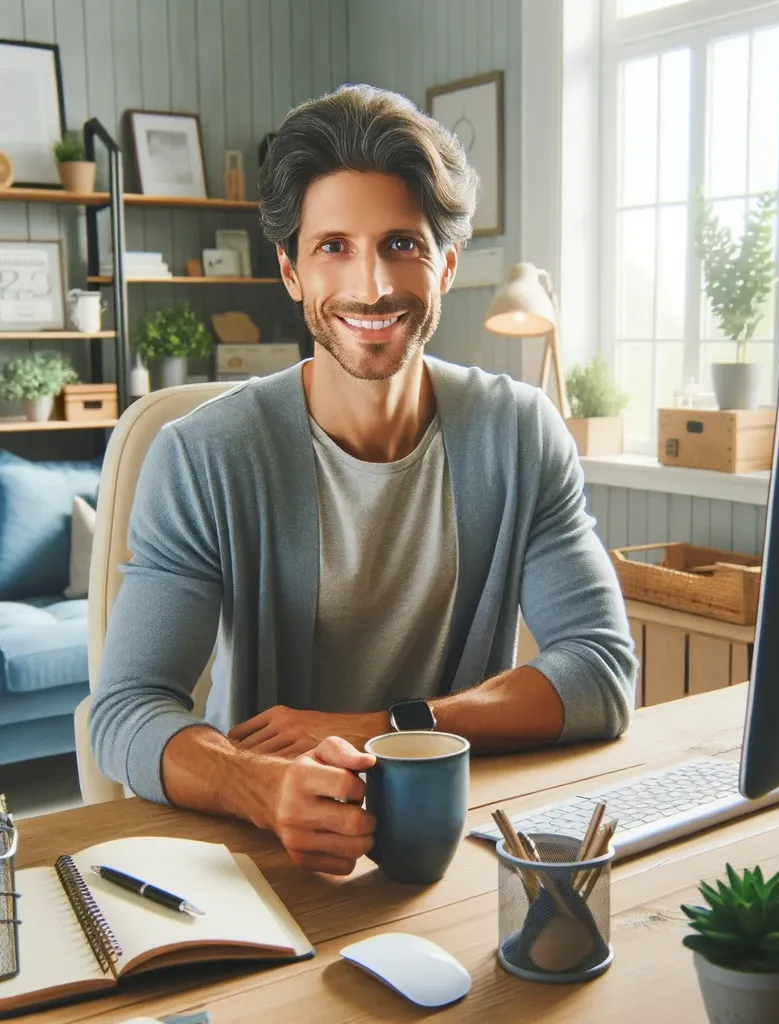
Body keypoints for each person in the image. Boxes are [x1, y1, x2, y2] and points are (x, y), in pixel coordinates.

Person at [90, 84, 636, 876]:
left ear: (446, 265)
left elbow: (600, 670)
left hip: (459, 844)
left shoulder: (521, 432)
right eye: (334, 246)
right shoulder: (203, 456)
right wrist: (256, 784)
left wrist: (384, 724)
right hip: (271, 849)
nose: (372, 285)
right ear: (290, 271)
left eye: (402, 245)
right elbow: (125, 711)